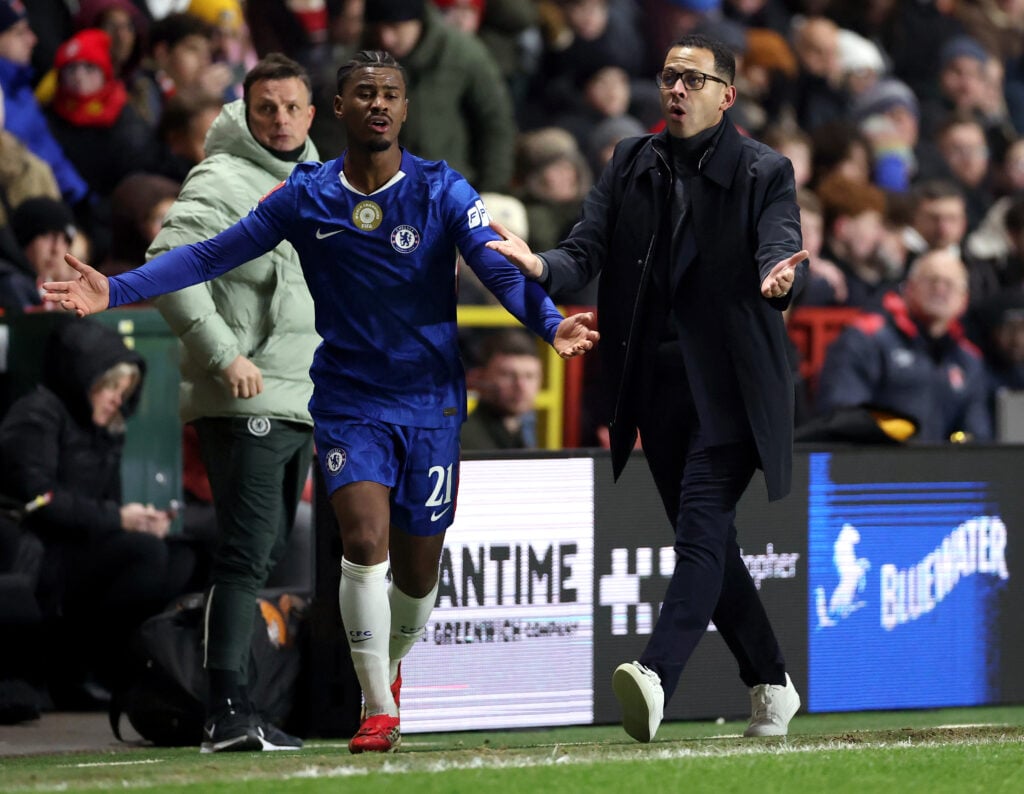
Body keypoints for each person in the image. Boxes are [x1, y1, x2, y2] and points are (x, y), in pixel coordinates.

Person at [40, 49, 598, 754]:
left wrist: (551, 322)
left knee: (419, 570)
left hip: (429, 403)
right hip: (347, 399)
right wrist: (116, 289)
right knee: (363, 543)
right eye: (363, 92)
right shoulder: (309, 193)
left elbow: (496, 266)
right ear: (339, 108)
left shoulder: (441, 189)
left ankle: (388, 669)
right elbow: (212, 253)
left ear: (403, 108)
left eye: (389, 93)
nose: (377, 104)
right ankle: (375, 705)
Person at [487, 33, 804, 743]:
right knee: (712, 546)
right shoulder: (631, 160)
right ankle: (772, 684)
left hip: (732, 388)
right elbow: (587, 246)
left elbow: (782, 245)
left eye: (694, 79)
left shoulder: (764, 171)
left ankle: (657, 675)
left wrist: (782, 279)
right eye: (669, 77)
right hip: (654, 382)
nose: (677, 89)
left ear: (728, 94)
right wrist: (539, 265)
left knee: (698, 533)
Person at [147, 52, 320, 754]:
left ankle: (236, 704)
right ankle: (226, 710)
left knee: (266, 549)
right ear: (245, 114)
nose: (278, 119)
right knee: (247, 554)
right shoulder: (221, 179)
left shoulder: (319, 184)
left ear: (313, 114)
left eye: (290, 107)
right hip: (244, 393)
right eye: (264, 108)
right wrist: (225, 356)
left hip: (297, 396)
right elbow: (168, 266)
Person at [0, 317, 195, 709]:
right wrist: (121, 519)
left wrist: (140, 521)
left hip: (78, 547)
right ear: (84, 377)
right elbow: (38, 501)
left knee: (181, 557)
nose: (116, 400)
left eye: (124, 391)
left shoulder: (104, 429)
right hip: (38, 552)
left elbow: (107, 506)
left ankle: (130, 673)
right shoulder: (37, 413)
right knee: (145, 557)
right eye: (110, 387)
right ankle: (74, 670)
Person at [816, 248, 992, 444]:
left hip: (943, 471)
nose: (940, 290)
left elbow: (977, 434)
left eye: (950, 284)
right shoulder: (867, 338)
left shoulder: (968, 359)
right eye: (932, 281)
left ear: (964, 300)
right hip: (877, 466)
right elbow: (844, 415)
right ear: (909, 287)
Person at [461, 328, 544, 450]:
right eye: (508, 375)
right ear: (480, 377)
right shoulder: (462, 441)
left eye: (529, 376)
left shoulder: (522, 434)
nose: (521, 386)